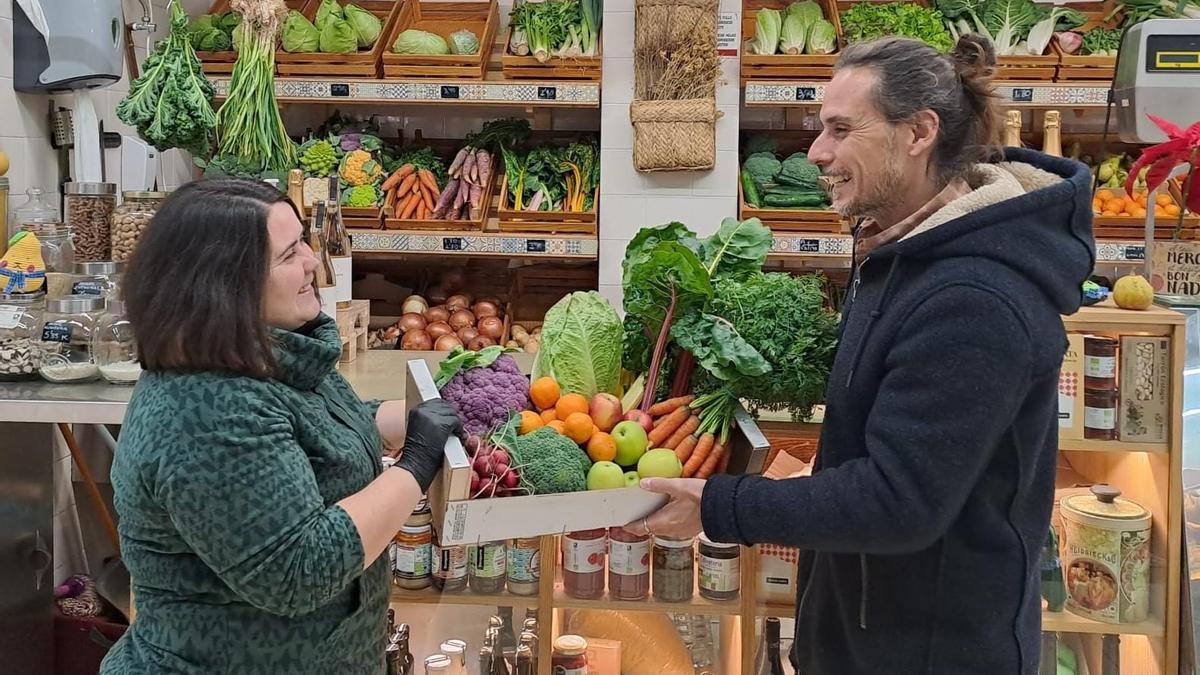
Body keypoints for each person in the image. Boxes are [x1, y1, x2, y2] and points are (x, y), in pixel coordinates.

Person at [632, 35, 1095, 674]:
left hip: (931, 654)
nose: (818, 152)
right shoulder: (902, 256)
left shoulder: (973, 298)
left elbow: (898, 501)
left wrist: (718, 505)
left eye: (841, 129)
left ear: (918, 133)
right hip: (869, 637)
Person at [100, 179, 461, 674]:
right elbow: (297, 570)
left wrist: (411, 415)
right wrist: (414, 464)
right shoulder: (206, 411)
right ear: (226, 285)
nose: (314, 263)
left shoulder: (268, 351)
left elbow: (312, 428)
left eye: (304, 244)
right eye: (290, 254)